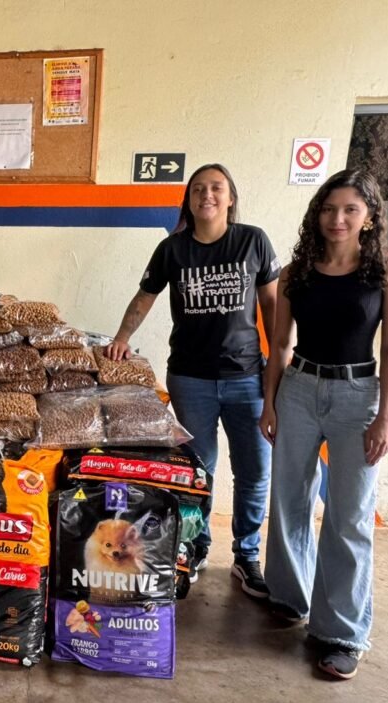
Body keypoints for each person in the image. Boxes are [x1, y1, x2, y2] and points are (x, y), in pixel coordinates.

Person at [102, 163, 279, 597]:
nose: (208, 195)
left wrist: (280, 364)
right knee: (200, 471)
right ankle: (197, 548)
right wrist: (122, 338)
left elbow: (273, 307)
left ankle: (246, 556)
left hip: (247, 378)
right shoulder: (173, 249)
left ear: (230, 197)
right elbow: (145, 297)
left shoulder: (252, 241)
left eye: (216, 188)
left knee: (254, 470)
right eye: (198, 189)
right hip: (190, 378)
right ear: (189, 199)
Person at [260, 169, 388, 680]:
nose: (337, 219)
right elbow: (279, 344)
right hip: (298, 388)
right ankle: (288, 595)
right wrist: (271, 402)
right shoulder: (297, 272)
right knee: (288, 500)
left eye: (350, 209)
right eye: (328, 209)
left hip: (356, 396)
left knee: (349, 515)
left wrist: (385, 416)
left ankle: (341, 631)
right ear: (316, 215)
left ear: (369, 217)